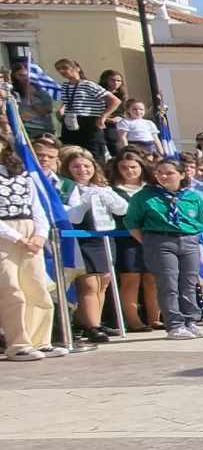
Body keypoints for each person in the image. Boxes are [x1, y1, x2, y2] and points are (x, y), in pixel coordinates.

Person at [126, 155, 203, 340]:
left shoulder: (193, 197)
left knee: (189, 283)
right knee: (168, 283)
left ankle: (191, 321)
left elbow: (200, 222)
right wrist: (149, 241)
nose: (164, 177)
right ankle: (174, 324)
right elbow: (132, 222)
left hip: (188, 240)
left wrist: (191, 236)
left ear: (181, 174)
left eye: (170, 173)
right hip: (160, 241)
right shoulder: (144, 196)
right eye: (160, 173)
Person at [0, 138, 62, 359]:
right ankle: (18, 344)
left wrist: (39, 234)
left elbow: (36, 206)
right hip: (5, 233)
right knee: (11, 290)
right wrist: (16, 237)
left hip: (29, 230)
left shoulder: (21, 172)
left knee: (36, 285)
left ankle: (40, 340)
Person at [58, 147, 122, 344]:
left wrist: (109, 196)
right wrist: (84, 203)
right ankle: (91, 326)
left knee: (102, 283)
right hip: (81, 238)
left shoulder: (102, 187)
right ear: (68, 168)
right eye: (76, 166)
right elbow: (73, 217)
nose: (82, 170)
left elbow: (122, 210)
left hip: (102, 237)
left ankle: (95, 322)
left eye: (86, 166)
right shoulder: (66, 188)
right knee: (89, 284)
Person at [106, 151, 160, 330]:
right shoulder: (112, 190)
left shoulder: (151, 189)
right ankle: (133, 321)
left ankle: (155, 318)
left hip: (152, 238)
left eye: (133, 167)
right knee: (131, 279)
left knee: (153, 279)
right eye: (124, 167)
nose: (129, 171)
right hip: (126, 239)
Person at [53, 59, 113, 159]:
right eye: (59, 69)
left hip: (89, 122)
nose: (61, 71)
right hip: (71, 122)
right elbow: (69, 102)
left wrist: (103, 117)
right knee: (70, 154)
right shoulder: (65, 86)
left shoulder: (88, 84)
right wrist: (61, 112)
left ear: (77, 68)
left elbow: (114, 101)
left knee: (93, 155)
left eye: (65, 68)